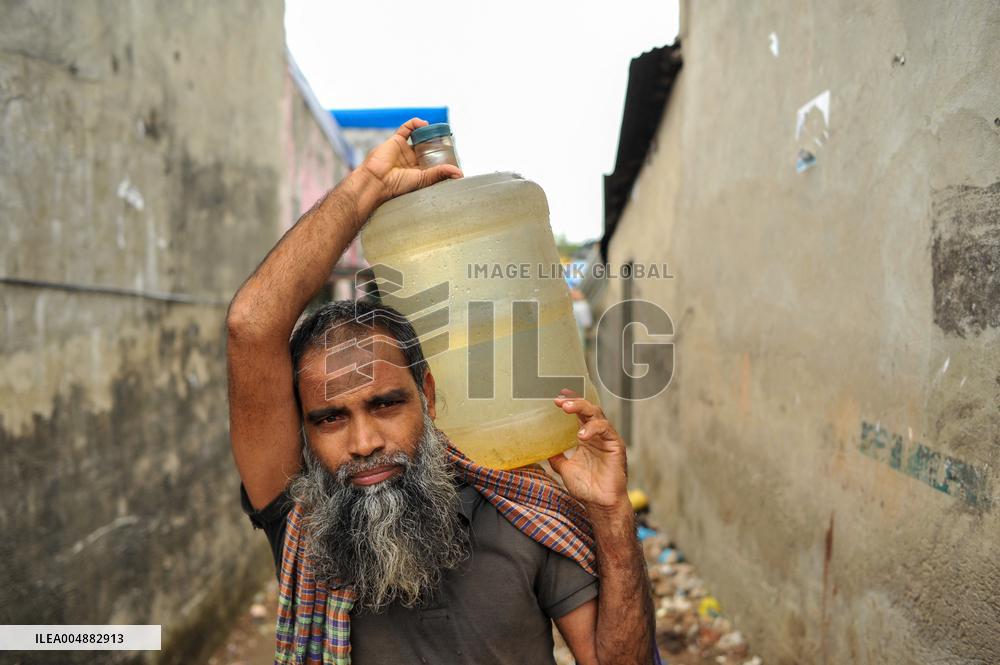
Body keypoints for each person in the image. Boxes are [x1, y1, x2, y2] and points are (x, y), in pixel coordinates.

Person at [225, 118, 656, 664]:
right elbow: (250, 325)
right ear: (304, 430)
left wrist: (613, 515)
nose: (364, 442)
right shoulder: (305, 522)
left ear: (428, 395)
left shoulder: (522, 509)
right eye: (330, 418)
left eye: (385, 404)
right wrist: (370, 188)